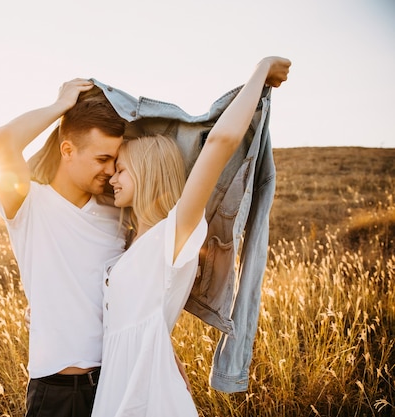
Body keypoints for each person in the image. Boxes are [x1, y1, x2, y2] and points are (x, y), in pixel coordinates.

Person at [90, 56, 292, 416]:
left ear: (148, 171)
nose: (112, 178)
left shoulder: (175, 230)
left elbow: (221, 142)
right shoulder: (131, 240)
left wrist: (261, 71)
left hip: (148, 394)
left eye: (121, 169)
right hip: (116, 386)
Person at [0, 79, 128, 417]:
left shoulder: (120, 213)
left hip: (118, 384)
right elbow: (4, 140)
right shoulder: (28, 205)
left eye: (115, 159)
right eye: (102, 158)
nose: (110, 170)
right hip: (57, 392)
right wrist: (60, 106)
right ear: (68, 150)